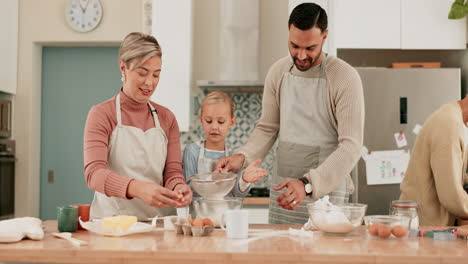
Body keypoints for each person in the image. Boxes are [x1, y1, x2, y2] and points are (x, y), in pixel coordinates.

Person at [215, 3, 364, 224]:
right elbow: (268, 127)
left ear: (325, 37)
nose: (301, 55)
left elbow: (351, 147)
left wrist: (307, 184)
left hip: (326, 195)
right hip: (283, 190)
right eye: (294, 46)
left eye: (310, 48)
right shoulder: (278, 72)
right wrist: (242, 157)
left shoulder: (344, 77)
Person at [83, 32, 192, 220]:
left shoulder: (167, 118)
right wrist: (138, 188)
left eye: (156, 75)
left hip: (158, 225)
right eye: (142, 72)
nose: (149, 82)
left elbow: (173, 173)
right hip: (113, 225)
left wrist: (179, 187)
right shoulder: (102, 114)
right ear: (123, 68)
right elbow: (94, 174)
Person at [183, 91, 267, 197]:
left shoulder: (234, 156)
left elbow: (237, 194)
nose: (214, 127)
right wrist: (212, 179)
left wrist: (244, 180)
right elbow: (188, 189)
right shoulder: (192, 151)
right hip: (199, 212)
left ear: (231, 122)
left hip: (226, 212)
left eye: (221, 122)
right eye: (209, 121)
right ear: (201, 120)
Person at [400, 97, 468, 226]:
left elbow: (456, 175)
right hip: (422, 228)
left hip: (427, 227)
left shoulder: (456, 119)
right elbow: (452, 198)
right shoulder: (449, 124)